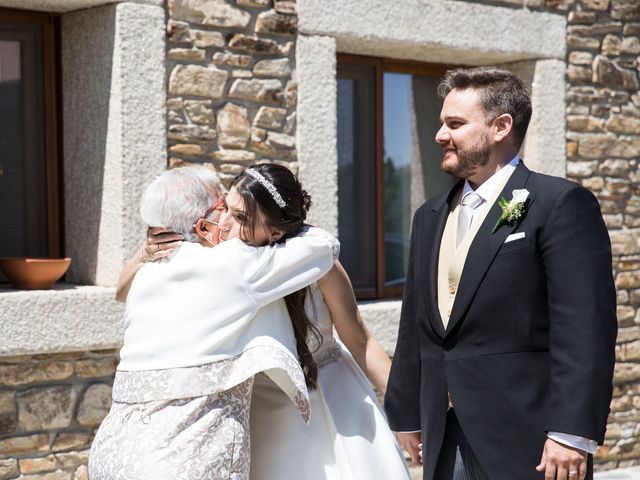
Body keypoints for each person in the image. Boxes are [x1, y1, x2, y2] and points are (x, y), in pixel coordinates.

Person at [385, 67, 617, 480]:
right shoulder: (429, 216)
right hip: (444, 432)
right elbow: (416, 321)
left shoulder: (560, 204)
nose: (440, 135)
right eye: (441, 123)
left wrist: (571, 432)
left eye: (454, 124)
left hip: (531, 439)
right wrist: (405, 412)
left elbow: (585, 328)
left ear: (501, 127)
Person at [136, 164, 411, 479]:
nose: (224, 224)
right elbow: (123, 289)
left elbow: (360, 340)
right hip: (261, 408)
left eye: (240, 218)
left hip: (330, 398)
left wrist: (404, 412)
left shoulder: (317, 265)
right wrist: (143, 252)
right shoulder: (217, 263)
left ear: (276, 232)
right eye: (226, 207)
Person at [89, 166, 339, 480]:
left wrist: (145, 250)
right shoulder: (234, 265)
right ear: (204, 223)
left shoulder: (145, 274)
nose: (229, 217)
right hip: (180, 461)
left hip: (110, 453)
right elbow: (324, 246)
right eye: (223, 207)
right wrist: (278, 221)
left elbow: (119, 292)